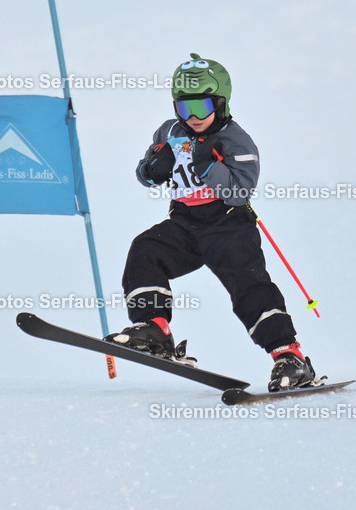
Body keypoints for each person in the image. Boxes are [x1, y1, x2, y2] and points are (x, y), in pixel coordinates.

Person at [105, 56, 317, 391]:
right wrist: (153, 168)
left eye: (202, 108)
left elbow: (240, 192)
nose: (193, 117)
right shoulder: (169, 131)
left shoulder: (236, 140)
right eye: (184, 108)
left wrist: (209, 166)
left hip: (228, 226)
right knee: (146, 250)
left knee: (250, 288)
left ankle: (289, 357)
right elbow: (144, 172)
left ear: (220, 103)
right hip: (186, 224)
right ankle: (154, 327)